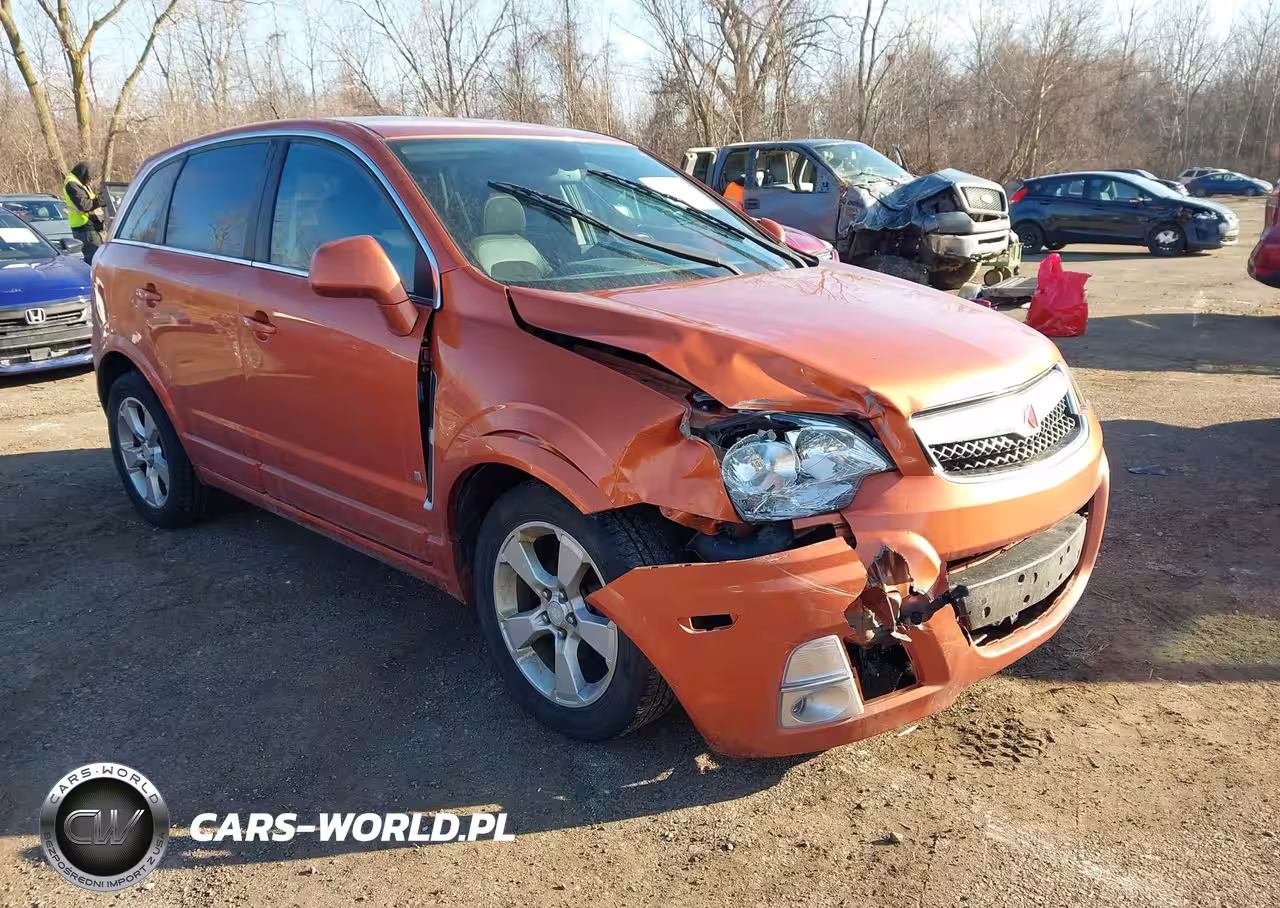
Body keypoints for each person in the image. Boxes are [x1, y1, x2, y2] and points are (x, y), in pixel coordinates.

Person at [63, 161, 105, 265]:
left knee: (96, 257)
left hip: (89, 224)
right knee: (94, 259)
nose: (90, 179)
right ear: (84, 173)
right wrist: (101, 200)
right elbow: (84, 205)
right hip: (84, 226)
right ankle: (92, 280)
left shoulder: (78, 182)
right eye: (89, 176)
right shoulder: (72, 184)